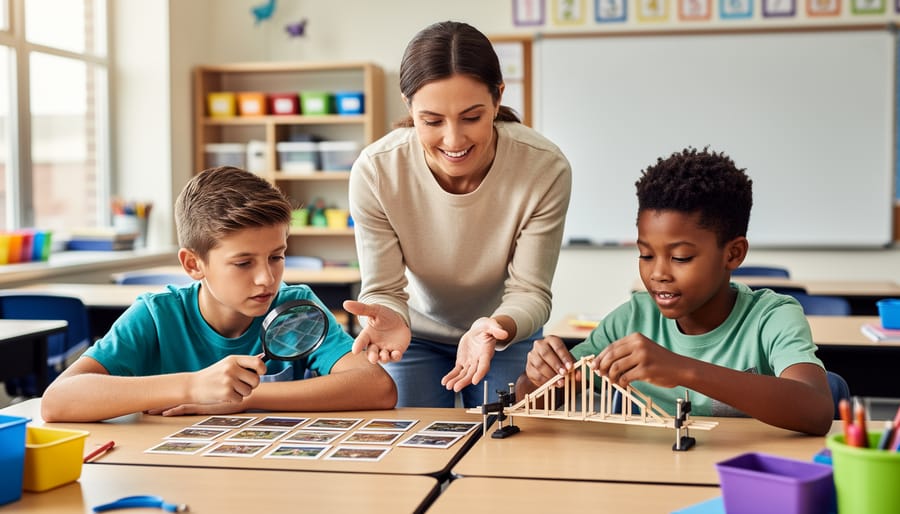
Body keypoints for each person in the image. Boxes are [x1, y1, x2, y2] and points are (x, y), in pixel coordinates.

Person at [517, 147, 833, 435]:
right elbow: (533, 401)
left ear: (733, 254)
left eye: (681, 257)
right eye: (645, 255)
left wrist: (682, 369)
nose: (658, 273)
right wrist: (539, 375)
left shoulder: (771, 318)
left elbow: (817, 410)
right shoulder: (632, 320)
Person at [41, 166, 397, 422]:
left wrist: (245, 399)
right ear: (194, 264)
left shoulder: (294, 307)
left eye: (276, 257)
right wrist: (194, 387)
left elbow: (377, 387)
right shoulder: (156, 315)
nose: (266, 279)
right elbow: (57, 401)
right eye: (243, 263)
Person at [343, 21, 572, 408]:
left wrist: (493, 328)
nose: (453, 140)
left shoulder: (544, 168)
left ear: (498, 99)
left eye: (472, 117)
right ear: (409, 107)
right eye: (432, 121)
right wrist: (385, 314)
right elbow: (383, 287)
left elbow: (530, 292)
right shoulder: (377, 171)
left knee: (507, 437)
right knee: (412, 448)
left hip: (502, 332)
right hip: (412, 333)